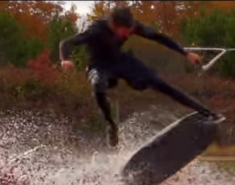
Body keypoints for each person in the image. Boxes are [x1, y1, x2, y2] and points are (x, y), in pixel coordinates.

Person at [59, 7, 224, 148]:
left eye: (131, 30)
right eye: (126, 31)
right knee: (98, 87)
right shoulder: (96, 30)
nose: (129, 33)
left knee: (161, 84)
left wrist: (185, 53)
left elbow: (159, 37)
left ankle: (207, 113)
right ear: (114, 26)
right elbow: (66, 43)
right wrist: (65, 59)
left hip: (123, 62)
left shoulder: (132, 26)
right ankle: (111, 125)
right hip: (99, 66)